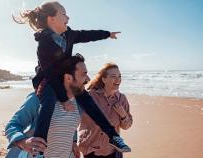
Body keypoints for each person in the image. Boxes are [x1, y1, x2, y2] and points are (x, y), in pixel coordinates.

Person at [13, 1, 130, 153]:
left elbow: (87, 35)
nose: (68, 17)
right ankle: (39, 146)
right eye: (64, 14)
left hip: (67, 78)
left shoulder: (69, 35)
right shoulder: (43, 43)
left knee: (89, 103)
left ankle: (114, 137)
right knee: (48, 102)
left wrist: (107, 34)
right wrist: (63, 98)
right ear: (51, 19)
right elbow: (48, 72)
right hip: (48, 80)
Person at [78, 63, 133, 158]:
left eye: (119, 76)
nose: (118, 79)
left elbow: (126, 126)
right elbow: (73, 119)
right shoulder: (90, 96)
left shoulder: (122, 99)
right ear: (104, 79)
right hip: (91, 150)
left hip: (113, 151)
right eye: (113, 76)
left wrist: (123, 114)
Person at [5, 94, 78, 158]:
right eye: (83, 76)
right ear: (68, 78)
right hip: (36, 154)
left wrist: (74, 141)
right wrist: (22, 142)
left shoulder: (77, 99)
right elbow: (13, 124)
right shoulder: (38, 97)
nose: (87, 78)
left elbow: (71, 124)